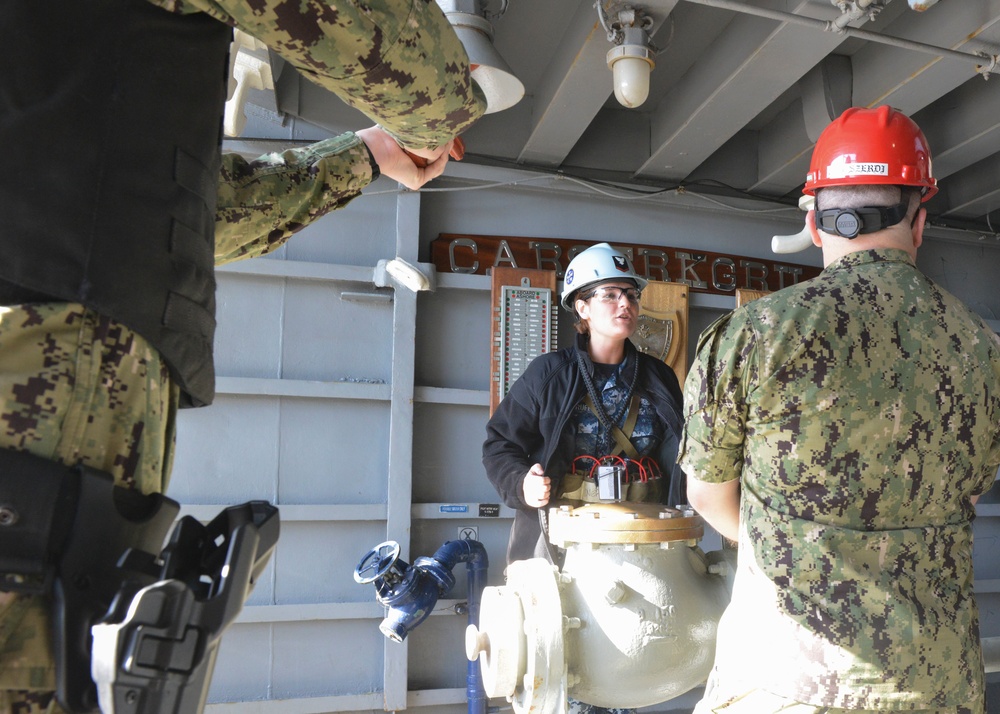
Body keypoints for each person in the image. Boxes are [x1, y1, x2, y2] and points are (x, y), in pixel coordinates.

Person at [0, 1, 486, 711]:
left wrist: (363, 157)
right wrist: (446, 109)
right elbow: (389, 45)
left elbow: (189, 210)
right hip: (44, 371)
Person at [679, 106, 1000, 714]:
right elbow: (972, 489)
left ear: (816, 220)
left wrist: (792, 545)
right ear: (921, 220)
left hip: (786, 682)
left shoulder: (754, 334)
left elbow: (706, 494)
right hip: (937, 685)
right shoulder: (983, 351)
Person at [482, 242, 686, 714]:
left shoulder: (658, 377)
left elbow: (681, 451)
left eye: (631, 296)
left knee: (628, 673)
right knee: (558, 678)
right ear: (581, 307)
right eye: (611, 295)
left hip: (640, 551)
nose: (626, 305)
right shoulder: (549, 374)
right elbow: (499, 444)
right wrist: (521, 483)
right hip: (563, 548)